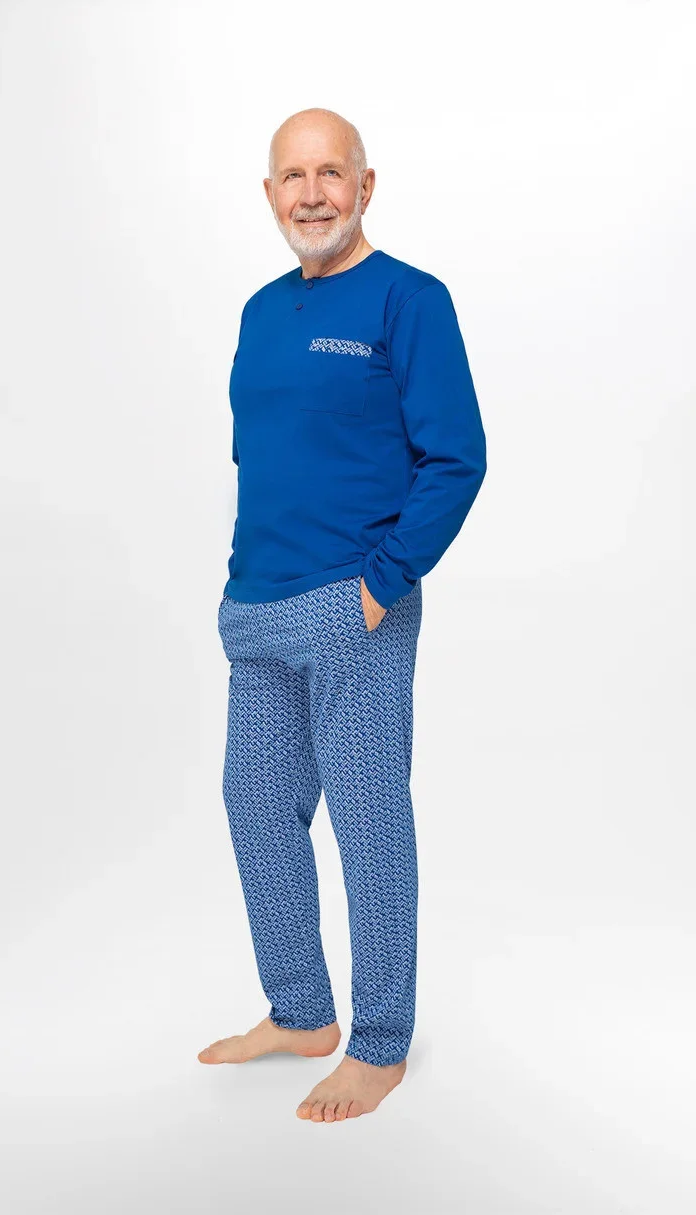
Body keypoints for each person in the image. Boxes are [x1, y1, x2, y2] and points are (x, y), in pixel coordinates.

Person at [198, 107, 487, 1122]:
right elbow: (260, 455)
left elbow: (457, 459)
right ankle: (302, 1012)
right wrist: (238, 577)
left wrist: (379, 585)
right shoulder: (259, 311)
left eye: (332, 173)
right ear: (269, 193)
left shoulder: (409, 300)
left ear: (366, 186)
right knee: (254, 807)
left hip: (353, 605)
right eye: (294, 175)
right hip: (256, 610)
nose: (312, 193)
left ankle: (379, 1041)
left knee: (368, 822)